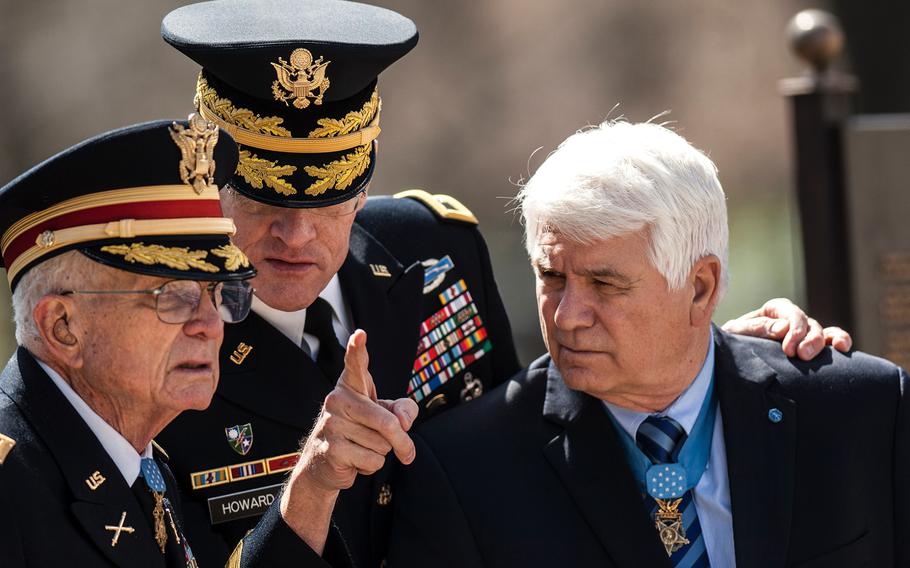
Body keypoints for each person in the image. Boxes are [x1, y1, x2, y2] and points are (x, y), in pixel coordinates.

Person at [156, 2, 849, 566]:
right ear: (208, 186)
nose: (297, 236)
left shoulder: (435, 253)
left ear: (365, 186)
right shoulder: (152, 322)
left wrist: (707, 349)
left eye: (327, 201)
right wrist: (310, 487)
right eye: (266, 202)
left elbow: (543, 430)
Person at [385, 120, 905, 567]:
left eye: (605, 285)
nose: (567, 317)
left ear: (700, 288)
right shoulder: (464, 469)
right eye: (552, 277)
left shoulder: (862, 409)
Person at [0, 117, 259, 566]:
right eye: (174, 296)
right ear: (63, 326)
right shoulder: (10, 488)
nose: (210, 325)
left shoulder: (141, 463)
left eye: (217, 293)